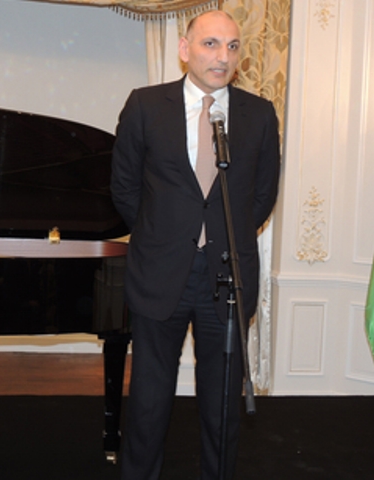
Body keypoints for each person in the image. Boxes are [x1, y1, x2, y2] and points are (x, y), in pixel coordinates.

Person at [111, 10, 280, 480]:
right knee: (148, 401)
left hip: (228, 277)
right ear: (185, 50)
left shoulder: (258, 115)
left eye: (232, 46)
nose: (222, 56)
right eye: (210, 44)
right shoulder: (146, 105)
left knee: (222, 405)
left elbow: (262, 196)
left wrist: (221, 238)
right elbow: (124, 188)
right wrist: (162, 237)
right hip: (159, 273)